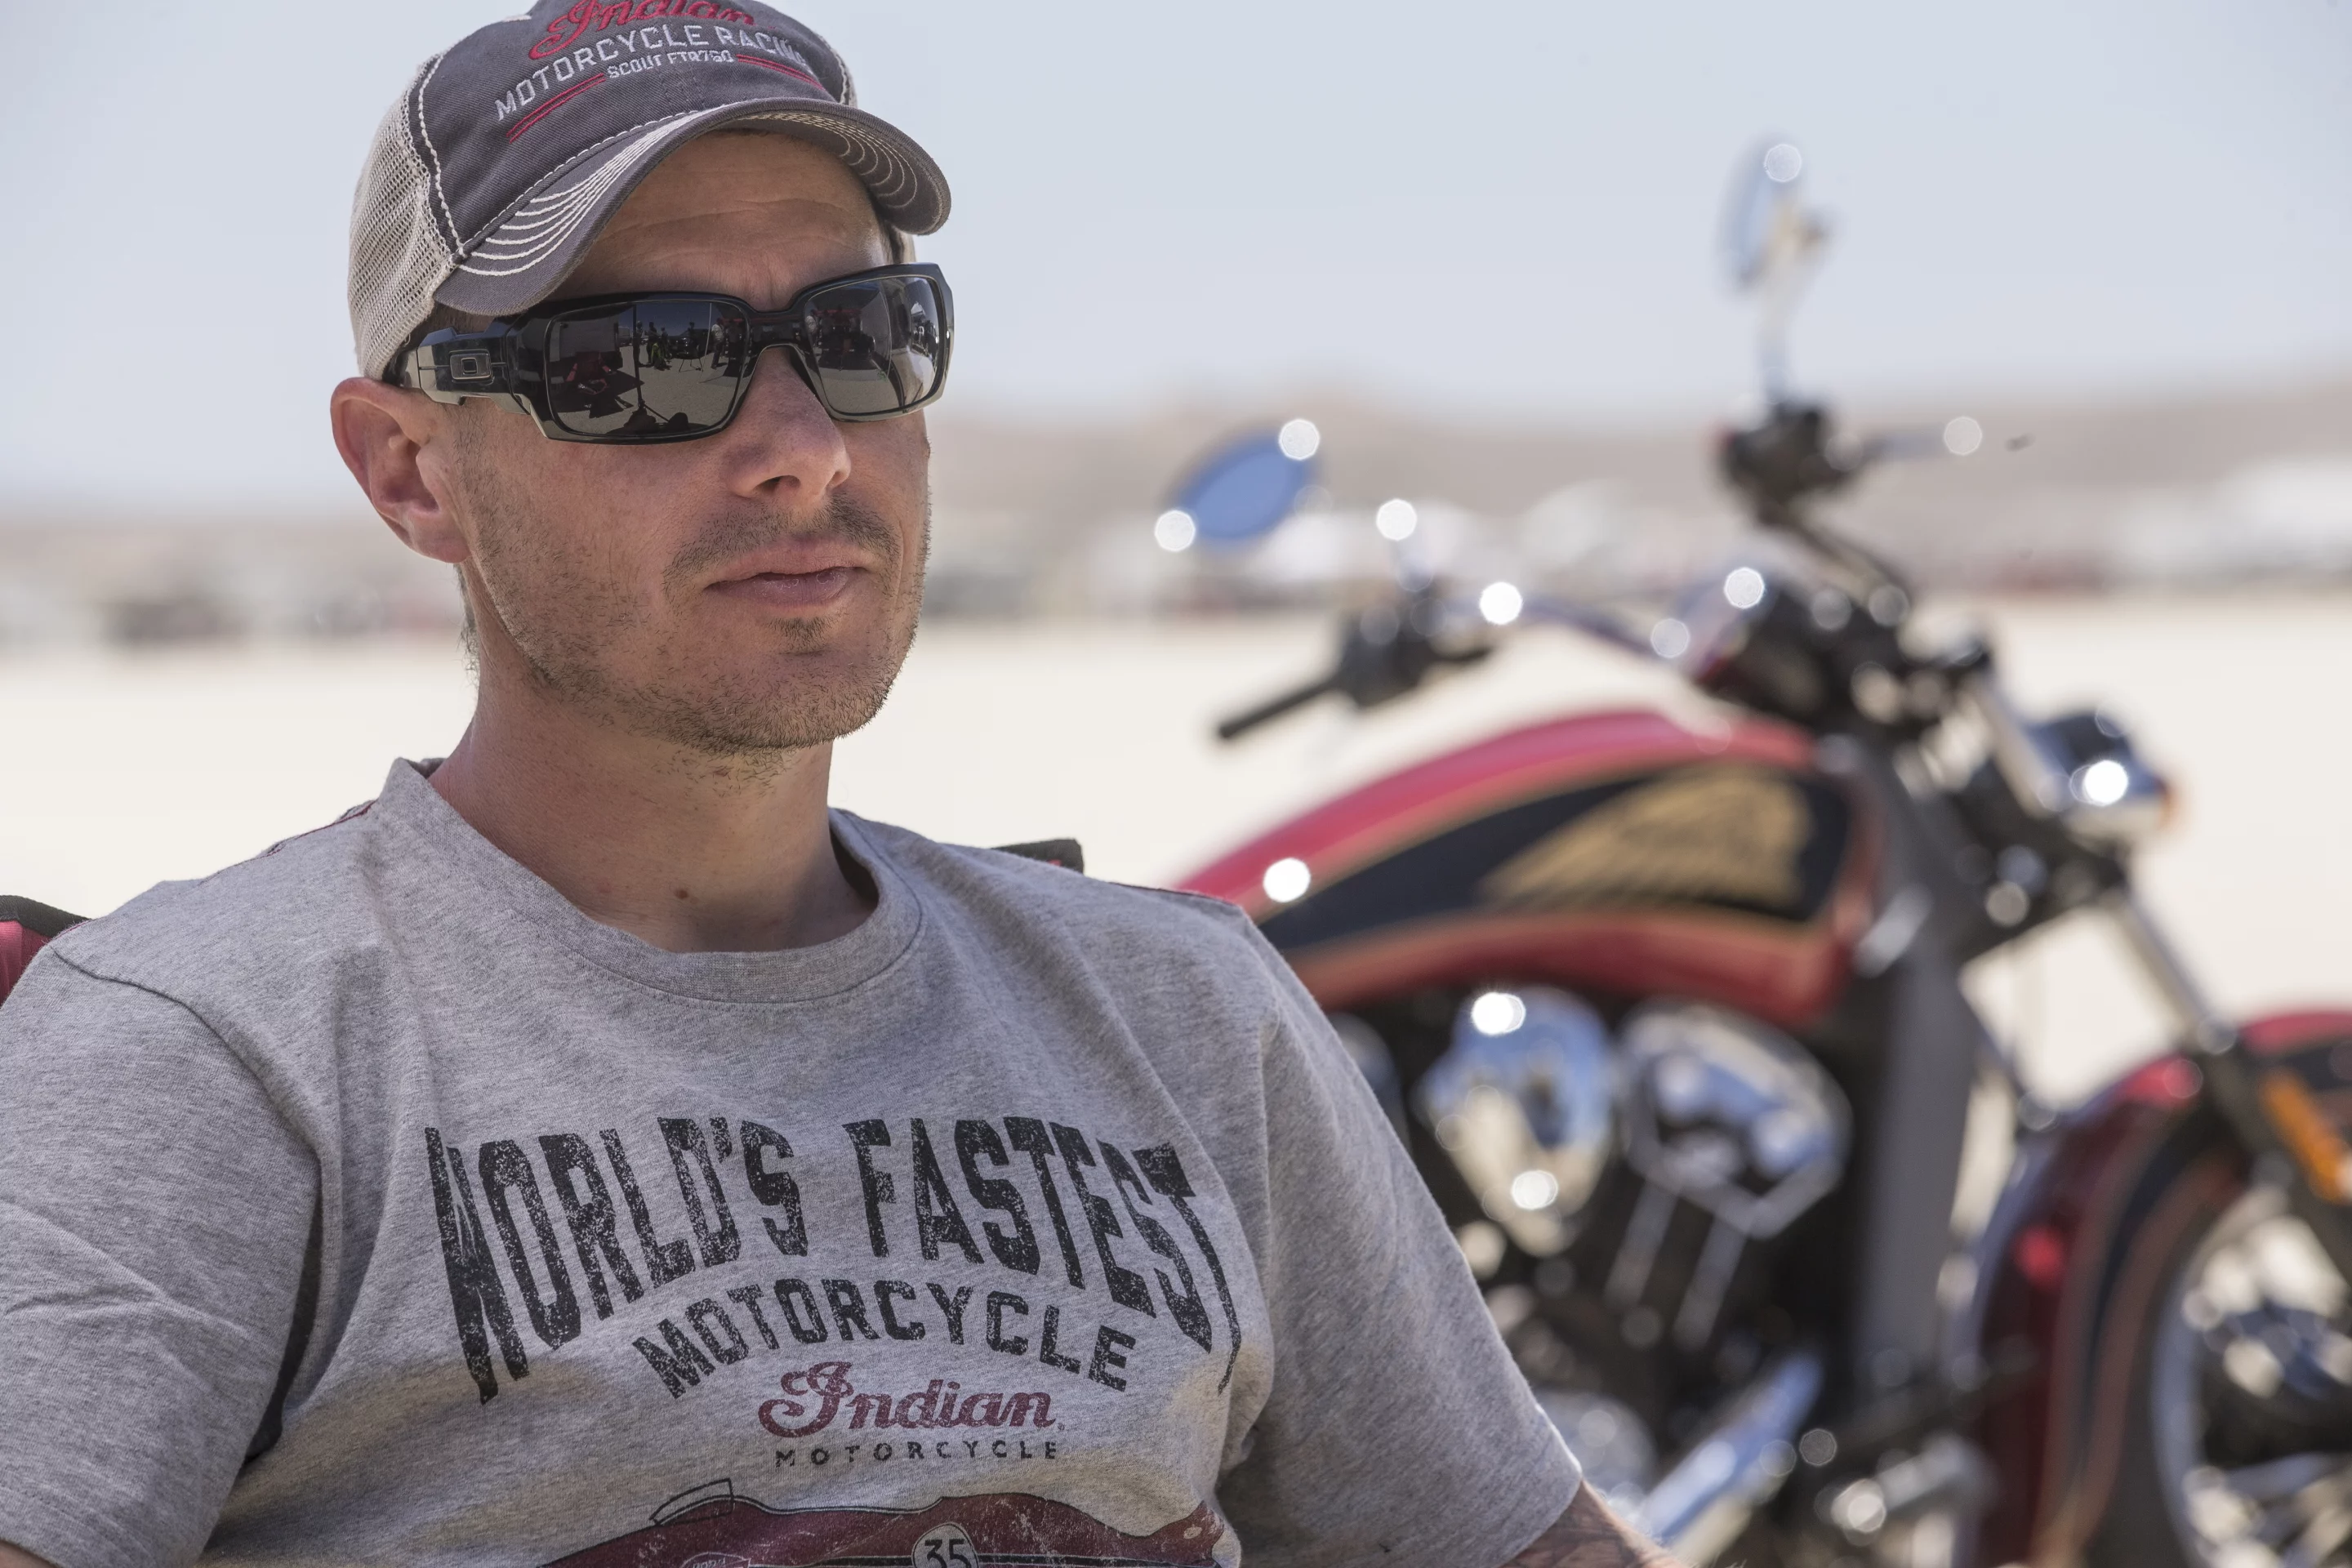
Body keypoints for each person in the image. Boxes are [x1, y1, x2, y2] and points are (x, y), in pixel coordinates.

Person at [0, 5, 1679, 1566]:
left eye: (862, 338)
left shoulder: (1186, 1016)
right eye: (650, 361)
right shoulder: (205, 1057)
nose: (803, 446)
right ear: (410, 470)